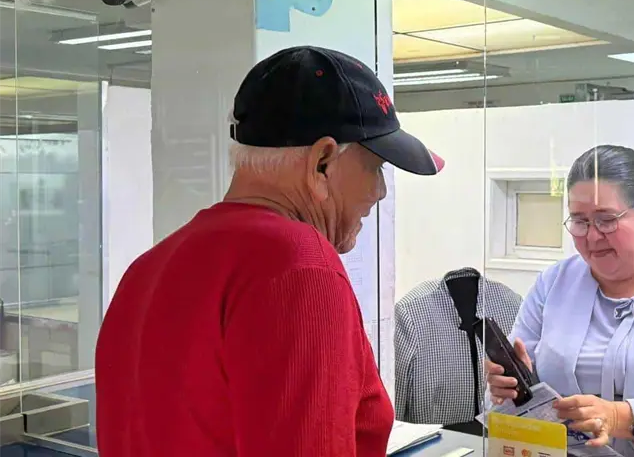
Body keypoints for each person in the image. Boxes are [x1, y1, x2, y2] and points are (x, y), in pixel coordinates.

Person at [95, 46, 444, 457]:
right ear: (322, 161)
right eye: (374, 167)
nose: (380, 191)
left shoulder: (148, 269)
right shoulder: (300, 267)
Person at [485, 144, 634, 457]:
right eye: (580, 221)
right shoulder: (553, 284)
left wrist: (625, 418)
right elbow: (502, 406)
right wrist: (504, 391)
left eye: (606, 219)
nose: (592, 236)